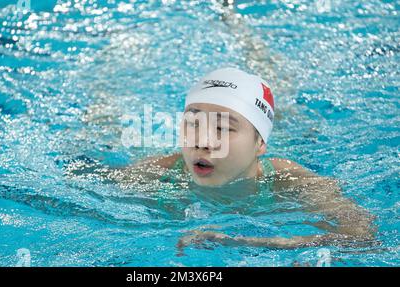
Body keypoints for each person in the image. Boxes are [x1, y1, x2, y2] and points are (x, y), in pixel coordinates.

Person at [124, 67, 376, 253]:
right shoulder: (155, 174)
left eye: (222, 128)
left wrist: (242, 241)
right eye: (193, 124)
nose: (203, 141)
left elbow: (364, 238)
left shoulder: (291, 182)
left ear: (260, 143)